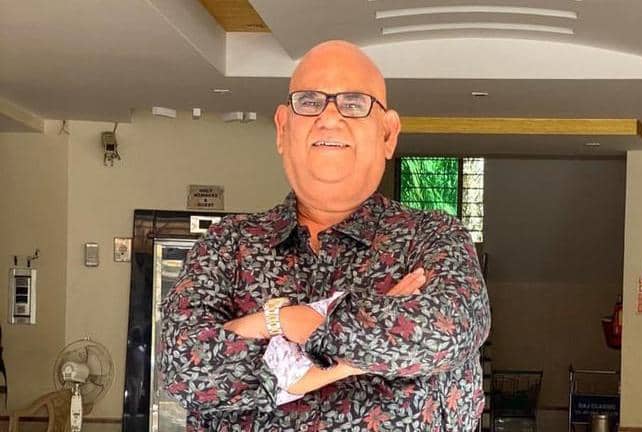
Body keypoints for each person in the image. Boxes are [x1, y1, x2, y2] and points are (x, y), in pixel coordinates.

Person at [161, 40, 491, 431]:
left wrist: (278, 325)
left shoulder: (433, 237)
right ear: (283, 128)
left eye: (353, 103)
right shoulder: (226, 245)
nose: (329, 117)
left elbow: (447, 333)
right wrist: (363, 338)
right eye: (309, 101)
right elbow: (184, 366)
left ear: (388, 134)